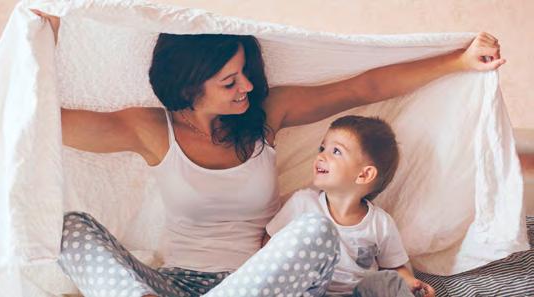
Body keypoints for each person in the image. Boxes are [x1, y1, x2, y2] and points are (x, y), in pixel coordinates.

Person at [32, 10, 503, 297]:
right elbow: (37, 118)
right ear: (190, 86)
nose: (249, 87)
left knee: (315, 231)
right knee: (68, 227)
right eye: (230, 82)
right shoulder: (151, 129)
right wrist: (41, 33)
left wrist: (457, 61)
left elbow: (365, 86)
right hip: (176, 285)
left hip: (262, 283)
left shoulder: (266, 115)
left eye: (246, 72)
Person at [265, 115, 435, 297]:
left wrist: (411, 283)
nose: (321, 155)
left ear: (364, 175)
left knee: (387, 281)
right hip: (309, 289)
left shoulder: (380, 223)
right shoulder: (303, 203)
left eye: (336, 151)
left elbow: (395, 266)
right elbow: (269, 242)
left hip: (358, 293)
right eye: (322, 148)